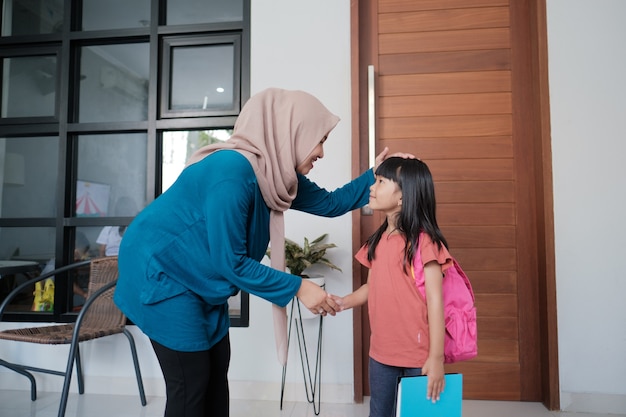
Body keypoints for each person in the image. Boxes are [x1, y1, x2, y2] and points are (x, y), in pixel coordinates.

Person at [113, 88, 401, 417]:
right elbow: (230, 262)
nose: (321, 151)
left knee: (216, 371)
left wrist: (375, 176)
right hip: (161, 274)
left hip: (198, 274)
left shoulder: (276, 175)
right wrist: (298, 286)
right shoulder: (231, 173)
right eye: (318, 139)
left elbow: (331, 203)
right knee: (191, 382)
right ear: (291, 132)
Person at [331, 157, 452, 417]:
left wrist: (436, 358)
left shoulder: (424, 242)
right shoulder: (378, 240)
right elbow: (371, 287)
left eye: (381, 182)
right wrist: (344, 302)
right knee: (379, 413)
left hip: (418, 357)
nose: (372, 188)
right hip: (381, 353)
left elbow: (435, 301)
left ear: (402, 197)